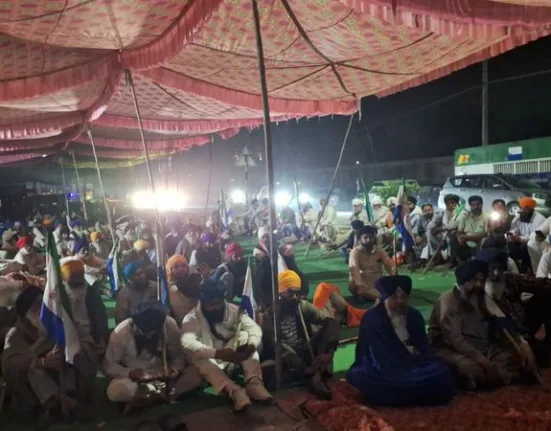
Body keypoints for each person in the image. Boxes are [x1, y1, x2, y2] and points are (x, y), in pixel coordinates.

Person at [347, 275, 455, 406]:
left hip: (413, 363)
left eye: (403, 296)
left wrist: (415, 361)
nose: (400, 301)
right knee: (361, 377)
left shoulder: (414, 315)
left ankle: (403, 394)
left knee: (443, 371)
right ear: (386, 297)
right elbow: (377, 357)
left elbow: (424, 348)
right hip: (384, 369)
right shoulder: (372, 318)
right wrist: (401, 366)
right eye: (395, 296)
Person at [429, 260, 525, 390]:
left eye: (482, 280)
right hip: (451, 349)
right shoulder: (448, 302)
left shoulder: (480, 296)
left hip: (481, 346)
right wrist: (482, 360)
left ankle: (493, 378)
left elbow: (499, 320)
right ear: (463, 282)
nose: (479, 284)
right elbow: (455, 340)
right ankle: (506, 377)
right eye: (474, 280)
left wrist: (521, 344)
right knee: (473, 369)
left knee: (516, 356)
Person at [181, 280, 272, 412]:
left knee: (246, 337)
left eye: (219, 303)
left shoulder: (233, 310)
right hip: (210, 361)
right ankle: (234, 391)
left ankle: (254, 383)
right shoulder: (191, 318)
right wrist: (217, 354)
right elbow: (189, 344)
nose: (217, 308)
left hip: (232, 356)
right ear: (204, 303)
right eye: (212, 305)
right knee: (201, 360)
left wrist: (251, 346)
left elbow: (254, 328)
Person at [103, 300, 202, 407]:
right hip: (136, 380)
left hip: (165, 376)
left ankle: (151, 396)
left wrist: (175, 370)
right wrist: (131, 373)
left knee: (195, 372)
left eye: (154, 332)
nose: (150, 336)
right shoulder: (121, 332)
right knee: (114, 391)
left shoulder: (169, 324)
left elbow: (178, 356)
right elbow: (109, 366)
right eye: (146, 332)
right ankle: (160, 393)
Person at [262, 270, 339, 399]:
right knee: (268, 368)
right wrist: (302, 367)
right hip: (284, 357)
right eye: (290, 292)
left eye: (297, 293)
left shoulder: (302, 306)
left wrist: (329, 353)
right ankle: (313, 375)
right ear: (280, 292)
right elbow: (275, 344)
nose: (295, 297)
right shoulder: (270, 314)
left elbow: (328, 322)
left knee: (331, 323)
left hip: (305, 350)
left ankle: (314, 372)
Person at [477, 248, 551, 368]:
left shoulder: (509, 278)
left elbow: (540, 282)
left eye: (500, 269)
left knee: (546, 294)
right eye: (492, 269)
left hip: (523, 325)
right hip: (504, 335)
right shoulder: (476, 289)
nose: (496, 273)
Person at [348, 225, 396, 302]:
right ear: (360, 239)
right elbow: (354, 269)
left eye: (370, 237)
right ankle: (379, 296)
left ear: (374, 238)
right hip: (361, 283)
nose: (368, 240)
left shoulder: (379, 251)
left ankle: (370, 296)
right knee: (355, 283)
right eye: (365, 237)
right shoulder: (355, 252)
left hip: (377, 283)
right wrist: (359, 284)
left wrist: (393, 275)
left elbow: (389, 264)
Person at [508, 197, 545, 273]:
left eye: (526, 209)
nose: (522, 211)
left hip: (537, 245)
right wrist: (512, 235)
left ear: (532, 209)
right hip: (521, 242)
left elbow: (536, 238)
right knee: (510, 244)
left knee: (529, 245)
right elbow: (513, 230)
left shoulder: (540, 220)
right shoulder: (518, 218)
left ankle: (528, 271)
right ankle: (516, 269)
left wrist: (519, 238)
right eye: (521, 208)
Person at [115, 261, 158, 325]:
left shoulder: (155, 286)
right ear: (130, 279)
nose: (142, 276)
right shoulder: (124, 293)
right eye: (137, 275)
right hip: (134, 326)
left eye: (142, 272)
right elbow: (120, 319)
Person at [426, 194, 463, 267]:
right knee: (429, 232)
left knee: (453, 235)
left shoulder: (461, 212)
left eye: (453, 202)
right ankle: (439, 257)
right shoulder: (443, 212)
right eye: (448, 203)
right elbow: (431, 226)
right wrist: (434, 228)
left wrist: (441, 229)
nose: (451, 204)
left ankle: (452, 261)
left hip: (456, 234)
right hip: (445, 235)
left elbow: (454, 225)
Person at [166, 255, 202, 325]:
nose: (181, 269)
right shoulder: (168, 288)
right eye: (176, 266)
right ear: (171, 270)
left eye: (183, 266)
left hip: (198, 320)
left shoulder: (194, 281)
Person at [454, 195, 489, 262]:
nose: (476, 207)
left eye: (478, 204)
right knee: (454, 237)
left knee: (484, 240)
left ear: (482, 205)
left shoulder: (487, 217)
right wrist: (459, 237)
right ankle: (455, 262)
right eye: (473, 205)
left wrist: (468, 237)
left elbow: (486, 234)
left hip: (479, 242)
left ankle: (479, 262)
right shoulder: (465, 216)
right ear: (470, 205)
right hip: (466, 241)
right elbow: (459, 231)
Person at [411, 203, 435, 268]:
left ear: (432, 210)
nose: (427, 212)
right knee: (415, 240)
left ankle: (422, 261)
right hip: (425, 237)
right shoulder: (421, 218)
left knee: (426, 241)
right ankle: (419, 260)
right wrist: (417, 236)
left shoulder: (437, 217)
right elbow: (417, 229)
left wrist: (423, 237)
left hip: (435, 237)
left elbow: (433, 230)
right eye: (425, 211)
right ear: (422, 212)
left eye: (429, 210)